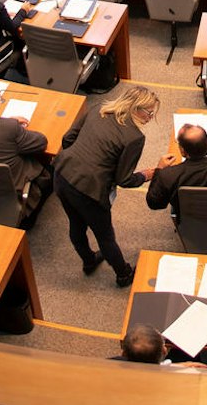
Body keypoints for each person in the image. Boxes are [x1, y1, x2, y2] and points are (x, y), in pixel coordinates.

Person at [53, 86, 158, 286]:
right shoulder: (134, 137)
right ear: (135, 108)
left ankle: (89, 261)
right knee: (105, 237)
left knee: (76, 223)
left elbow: (68, 139)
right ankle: (123, 274)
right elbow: (124, 179)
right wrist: (148, 174)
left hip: (61, 174)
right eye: (149, 112)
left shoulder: (99, 109)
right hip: (90, 191)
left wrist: (79, 162)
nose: (151, 117)